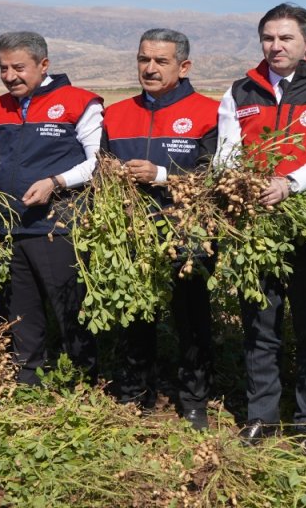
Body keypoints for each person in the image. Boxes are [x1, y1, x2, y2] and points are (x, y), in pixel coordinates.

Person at [216, 3, 306, 455]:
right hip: (256, 226)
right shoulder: (240, 91)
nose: (276, 46)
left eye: (286, 38)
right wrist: (237, 185)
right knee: (260, 321)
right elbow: (225, 153)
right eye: (268, 38)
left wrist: (290, 183)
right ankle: (261, 416)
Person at [0, 31, 100, 385]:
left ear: (44, 65)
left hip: (59, 221)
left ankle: (87, 375)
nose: (10, 76)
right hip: (10, 220)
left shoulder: (79, 102)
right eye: (4, 68)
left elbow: (97, 161)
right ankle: (29, 371)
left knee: (68, 301)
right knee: (20, 304)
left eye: (19, 68)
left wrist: (55, 182)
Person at [101, 28, 218, 429]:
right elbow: (99, 167)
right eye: (143, 59)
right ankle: (136, 393)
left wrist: (162, 175)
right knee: (134, 315)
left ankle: (194, 402)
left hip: (187, 231)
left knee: (191, 317)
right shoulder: (114, 114)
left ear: (183, 66)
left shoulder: (210, 112)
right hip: (132, 232)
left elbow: (214, 177)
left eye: (160, 61)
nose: (149, 69)